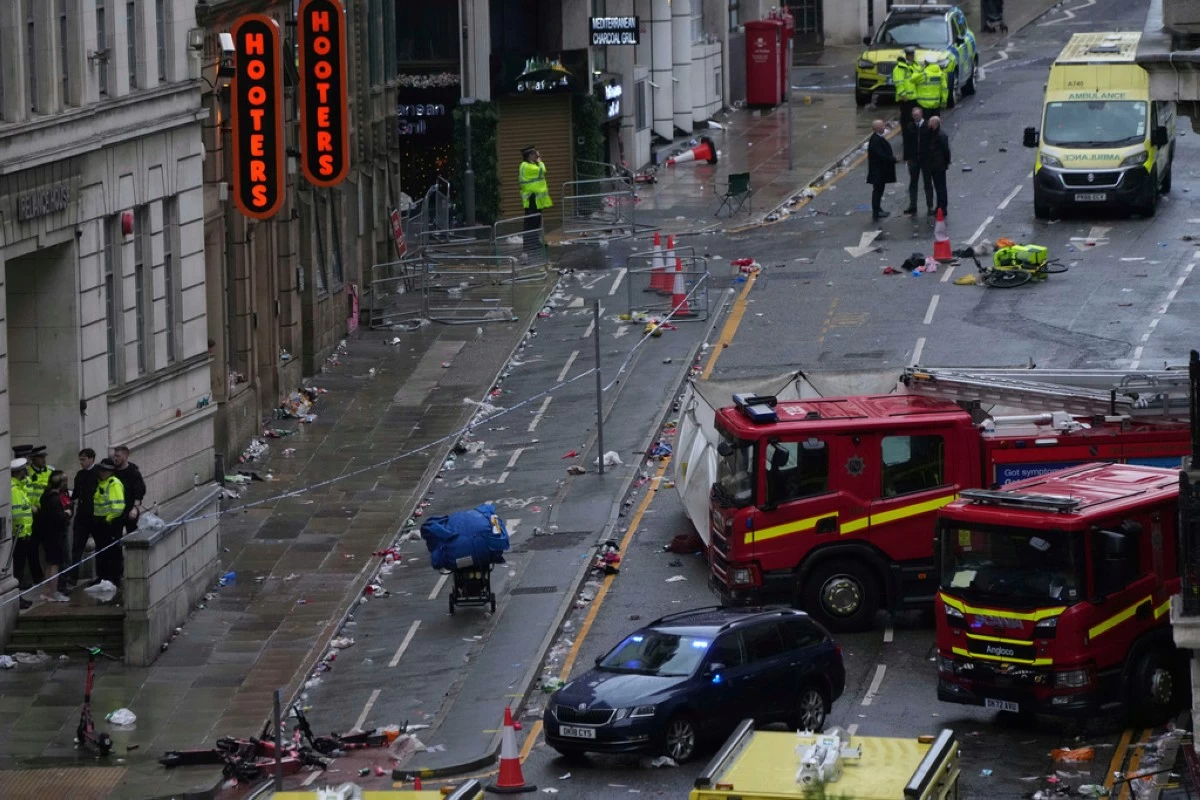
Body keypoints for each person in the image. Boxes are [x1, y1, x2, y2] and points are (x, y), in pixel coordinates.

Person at [64, 447, 100, 590]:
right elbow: (76, 495)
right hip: (82, 516)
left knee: (100, 545)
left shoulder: (98, 473)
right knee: (77, 547)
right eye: (80, 459)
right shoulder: (80, 475)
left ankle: (101, 574)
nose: (81, 462)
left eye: (83, 460)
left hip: (96, 515)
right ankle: (74, 575)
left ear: (91, 459)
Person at [36, 470, 71, 603]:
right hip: (55, 536)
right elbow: (58, 518)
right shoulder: (54, 499)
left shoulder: (45, 496)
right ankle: (53, 592)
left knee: (49, 563)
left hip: (46, 535)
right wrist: (67, 513)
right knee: (55, 564)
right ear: (61, 484)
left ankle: (46, 591)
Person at [93, 457, 126, 589]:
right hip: (100, 521)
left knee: (113, 551)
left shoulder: (114, 483)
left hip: (111, 522)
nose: (102, 472)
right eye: (101, 470)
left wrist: (108, 519)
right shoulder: (100, 482)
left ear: (111, 471)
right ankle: (102, 576)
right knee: (101, 550)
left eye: (105, 470)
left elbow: (118, 506)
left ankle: (114, 577)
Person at [10, 458, 36, 610]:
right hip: (18, 535)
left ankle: (19, 597)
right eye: (24, 471)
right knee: (17, 570)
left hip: (22, 534)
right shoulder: (14, 489)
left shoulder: (19, 487)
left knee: (19, 569)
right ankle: (17, 599)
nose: (26, 473)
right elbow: (17, 514)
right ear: (20, 472)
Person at [903, 106, 934, 216]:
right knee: (913, 183)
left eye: (917, 115)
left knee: (927, 183)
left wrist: (931, 157)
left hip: (926, 159)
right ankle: (913, 205)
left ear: (921, 115)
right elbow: (906, 143)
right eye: (913, 115)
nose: (915, 117)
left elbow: (932, 142)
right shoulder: (910, 126)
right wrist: (907, 158)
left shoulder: (927, 126)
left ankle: (930, 206)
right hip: (914, 159)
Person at [866, 119, 898, 221]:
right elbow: (880, 155)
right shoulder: (875, 140)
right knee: (877, 191)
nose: (883, 127)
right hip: (878, 171)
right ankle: (876, 211)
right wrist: (893, 159)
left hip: (880, 171)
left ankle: (878, 209)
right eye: (881, 126)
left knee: (879, 190)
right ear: (876, 129)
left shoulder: (878, 138)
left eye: (883, 125)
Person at [518, 147, 552, 237]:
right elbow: (542, 170)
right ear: (529, 156)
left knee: (536, 221)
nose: (536, 156)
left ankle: (535, 242)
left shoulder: (530, 165)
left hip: (535, 198)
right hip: (531, 198)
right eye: (534, 154)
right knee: (531, 223)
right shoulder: (526, 166)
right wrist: (540, 161)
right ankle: (530, 245)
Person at [112, 445, 145, 535]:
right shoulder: (112, 471)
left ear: (126, 456)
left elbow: (139, 491)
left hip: (130, 509)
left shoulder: (133, 472)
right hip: (116, 511)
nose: (115, 458)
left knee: (132, 534)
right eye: (114, 456)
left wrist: (135, 508)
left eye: (118, 456)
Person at [923, 116, 952, 217]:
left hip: (938, 165)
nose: (928, 125)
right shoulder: (934, 133)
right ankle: (939, 207)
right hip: (934, 165)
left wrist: (946, 162)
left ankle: (943, 208)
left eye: (930, 123)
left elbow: (946, 150)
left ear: (934, 124)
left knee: (941, 188)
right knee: (938, 187)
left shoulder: (940, 135)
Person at [892, 47, 919, 123]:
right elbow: (899, 83)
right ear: (907, 56)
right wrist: (903, 95)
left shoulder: (915, 65)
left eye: (913, 55)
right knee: (906, 119)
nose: (913, 57)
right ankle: (907, 134)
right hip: (905, 99)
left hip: (915, 97)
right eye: (911, 55)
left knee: (914, 120)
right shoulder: (899, 68)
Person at [915, 53, 947, 119]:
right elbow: (944, 88)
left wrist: (919, 68)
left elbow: (913, 79)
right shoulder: (941, 74)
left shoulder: (923, 74)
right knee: (935, 124)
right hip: (936, 104)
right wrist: (944, 100)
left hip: (924, 105)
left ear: (926, 63)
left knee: (925, 125)